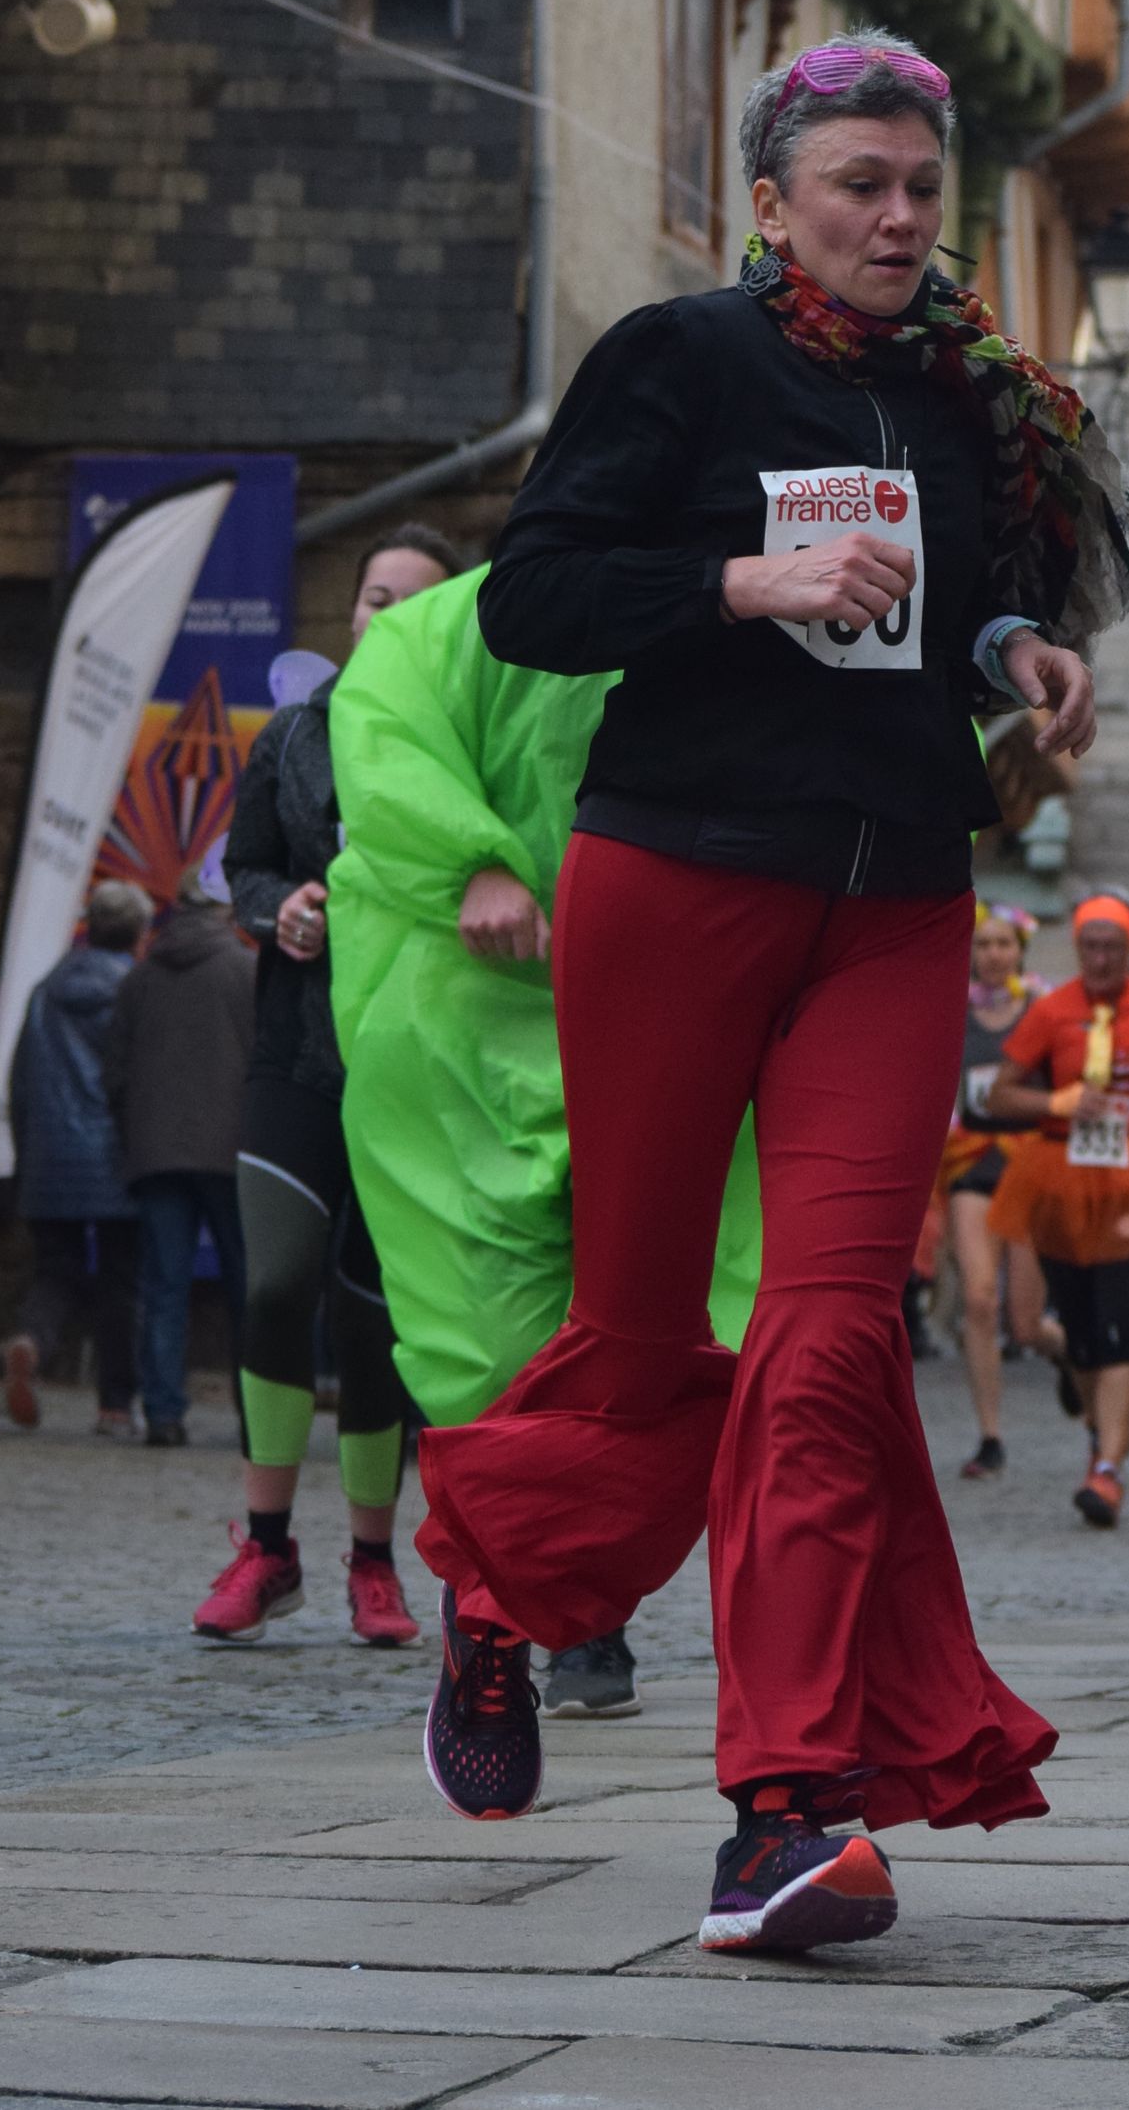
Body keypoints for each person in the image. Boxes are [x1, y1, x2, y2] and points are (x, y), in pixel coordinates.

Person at [422, 30, 1129, 1956]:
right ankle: (500, 1587)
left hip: (892, 903)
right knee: (643, 1331)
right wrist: (744, 582)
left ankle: (787, 1809)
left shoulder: (969, 396)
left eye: (920, 189)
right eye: (858, 186)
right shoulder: (681, 358)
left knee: (824, 1340)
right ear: (773, 201)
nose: (898, 219)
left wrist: (1015, 648)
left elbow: (954, 599)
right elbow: (532, 596)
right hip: (678, 880)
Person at [330, 558, 762, 1718]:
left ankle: (594, 1611)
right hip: (468, 1024)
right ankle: (499, 1605)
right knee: (488, 1346)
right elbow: (384, 735)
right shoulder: (450, 627)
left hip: (668, 1015)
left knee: (678, 1339)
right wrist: (470, 857)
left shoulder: (748, 606)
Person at [196, 524, 453, 1651]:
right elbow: (245, 863)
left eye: (411, 602)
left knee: (370, 1314)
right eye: (372, 597)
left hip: (406, 1060)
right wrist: (279, 908)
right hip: (296, 1049)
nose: (383, 616)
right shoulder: (297, 733)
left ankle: (371, 1560)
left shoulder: (455, 737)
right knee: (271, 1284)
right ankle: (266, 1549)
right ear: (350, 612)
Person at [983, 898, 1129, 1524]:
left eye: (1114, 948)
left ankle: (1108, 1470)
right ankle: (1097, 1433)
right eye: (1091, 947)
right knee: (1081, 1330)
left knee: (1121, 1329)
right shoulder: (1052, 1011)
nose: (1102, 959)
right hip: (1061, 1179)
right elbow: (1000, 1094)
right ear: (1079, 948)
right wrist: (1056, 1102)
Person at [103, 871, 255, 1452]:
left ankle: (163, 1414)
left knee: (164, 1287)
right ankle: (258, 1418)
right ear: (226, 909)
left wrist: (134, 1132)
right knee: (248, 1288)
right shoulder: (246, 971)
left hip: (155, 1152)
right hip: (232, 1151)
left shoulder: (139, 978)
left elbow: (114, 1072)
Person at [6, 879, 149, 1435]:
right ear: (138, 934)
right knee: (121, 1282)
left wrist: (26, 1150)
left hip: (52, 1152)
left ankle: (32, 1340)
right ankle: (115, 1404)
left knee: (54, 1272)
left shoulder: (47, 991)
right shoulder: (136, 992)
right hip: (115, 1154)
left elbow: (22, 1081)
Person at [937, 903, 1049, 1482]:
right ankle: (990, 1437)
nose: (992, 954)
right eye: (982, 944)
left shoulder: (1041, 1011)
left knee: (1025, 1325)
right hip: (973, 1164)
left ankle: (1076, 1358)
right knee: (979, 1301)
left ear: (1020, 951)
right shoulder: (952, 1011)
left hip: (1029, 1167)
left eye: (1003, 943)